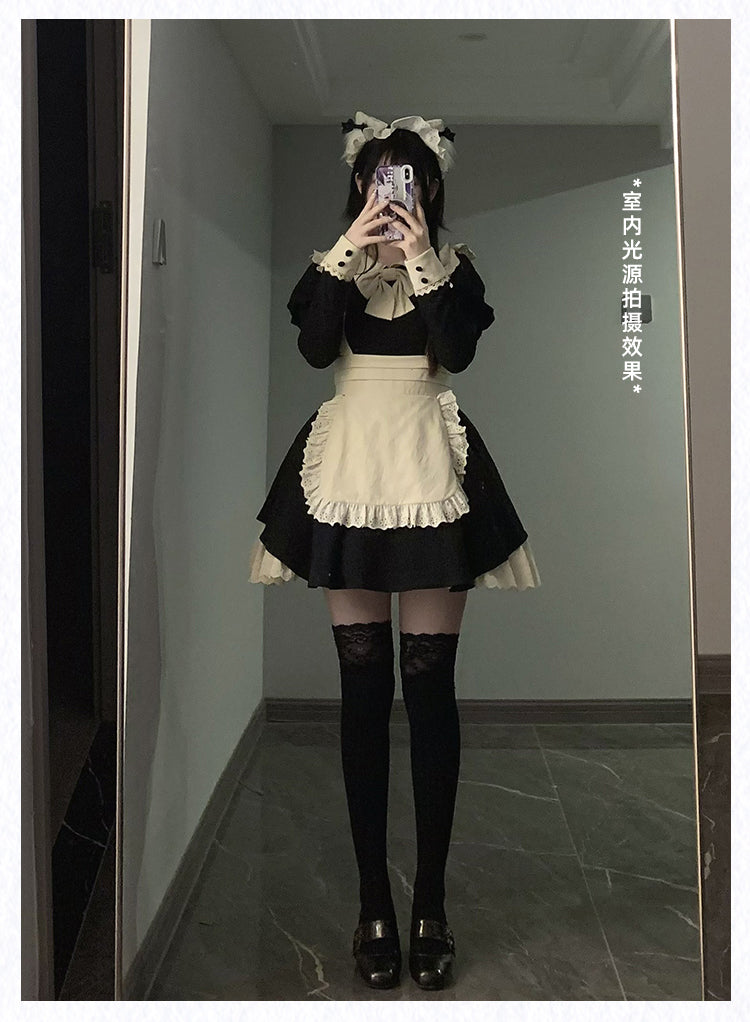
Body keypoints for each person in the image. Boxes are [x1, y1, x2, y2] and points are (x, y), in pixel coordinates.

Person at [248, 111, 541, 990]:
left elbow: (455, 352)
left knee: (431, 693)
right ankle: (373, 902)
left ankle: (432, 905)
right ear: (359, 184)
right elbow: (314, 349)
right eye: (379, 177)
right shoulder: (332, 269)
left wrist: (418, 256)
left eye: (407, 178)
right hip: (348, 473)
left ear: (432, 188)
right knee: (363, 694)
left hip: (429, 468)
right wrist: (353, 248)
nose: (393, 192)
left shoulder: (454, 270)